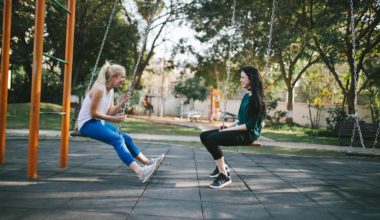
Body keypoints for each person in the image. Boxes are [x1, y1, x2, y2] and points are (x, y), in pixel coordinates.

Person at [77, 61, 165, 183]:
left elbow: (109, 113)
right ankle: (140, 172)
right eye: (122, 77)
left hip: (97, 122)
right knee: (117, 139)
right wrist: (114, 119)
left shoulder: (111, 91)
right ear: (113, 77)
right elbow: (93, 113)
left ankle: (148, 162)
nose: (123, 80)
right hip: (87, 123)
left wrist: (121, 103)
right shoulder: (99, 89)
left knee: (126, 138)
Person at [200, 66, 266, 189]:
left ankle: (224, 175)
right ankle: (222, 166)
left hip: (249, 134)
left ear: (251, 79)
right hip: (241, 128)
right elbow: (240, 119)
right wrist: (229, 126)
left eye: (243, 78)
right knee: (204, 136)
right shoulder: (247, 96)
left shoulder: (257, 99)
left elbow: (249, 125)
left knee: (212, 139)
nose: (240, 80)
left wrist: (228, 130)